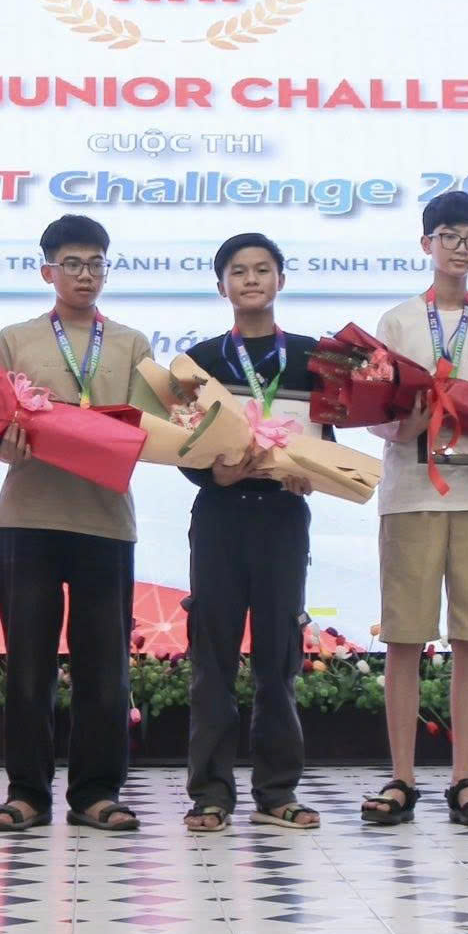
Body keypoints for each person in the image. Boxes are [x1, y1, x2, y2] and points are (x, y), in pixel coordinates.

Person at [0, 215, 154, 834]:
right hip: (27, 519)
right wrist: (4, 442)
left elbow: (148, 429)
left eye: (96, 263)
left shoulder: (132, 344)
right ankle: (26, 793)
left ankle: (96, 792)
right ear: (47, 271)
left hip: (105, 522)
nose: (86, 275)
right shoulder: (15, 341)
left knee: (103, 667)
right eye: (73, 264)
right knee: (28, 664)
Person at [359, 191, 468, 831]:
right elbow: (376, 412)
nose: (460, 247)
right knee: (404, 637)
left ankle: (464, 778)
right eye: (449, 235)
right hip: (408, 494)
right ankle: (401, 776)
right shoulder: (398, 321)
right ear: (426, 243)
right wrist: (405, 424)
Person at [179, 233, 324, 834]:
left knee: (278, 656)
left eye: (263, 270)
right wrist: (211, 472)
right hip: (220, 516)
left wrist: (313, 473)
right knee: (212, 657)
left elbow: (325, 441)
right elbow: (184, 443)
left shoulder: (312, 357)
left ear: (280, 280)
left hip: (282, 517)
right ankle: (211, 794)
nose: (251, 280)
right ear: (222, 286)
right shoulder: (200, 362)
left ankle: (277, 790)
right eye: (238, 272)